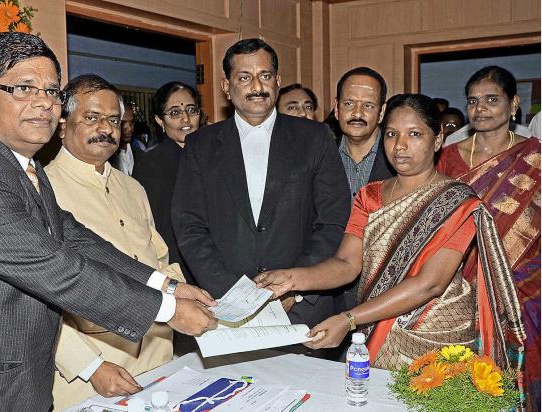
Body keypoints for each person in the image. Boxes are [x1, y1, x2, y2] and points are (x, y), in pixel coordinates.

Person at [0, 33, 216, 410]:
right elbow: (57, 268)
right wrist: (165, 309)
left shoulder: (18, 164)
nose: (43, 104)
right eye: (24, 88)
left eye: (52, 92)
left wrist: (164, 284)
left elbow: (70, 236)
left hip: (16, 378)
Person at [255, 94, 526, 404]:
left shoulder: (457, 202)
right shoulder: (370, 196)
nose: (399, 145)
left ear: (437, 139)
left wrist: (348, 320)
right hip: (375, 327)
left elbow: (430, 283)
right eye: (391, 134)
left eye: (414, 134)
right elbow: (346, 263)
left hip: (435, 336)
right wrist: (294, 279)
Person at [172, 38, 352, 346]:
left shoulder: (315, 138)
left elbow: (333, 219)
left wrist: (297, 286)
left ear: (278, 81)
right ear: (227, 87)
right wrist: (238, 296)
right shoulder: (201, 145)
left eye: (265, 76)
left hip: (303, 310)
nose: (257, 86)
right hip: (227, 311)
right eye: (244, 77)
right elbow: (189, 225)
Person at [45, 74, 191, 409]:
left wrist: (185, 299)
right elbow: (40, 302)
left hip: (159, 356)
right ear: (63, 125)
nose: (106, 128)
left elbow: (159, 260)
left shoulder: (132, 187)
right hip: (93, 372)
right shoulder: (43, 190)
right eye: (92, 118)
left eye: (113, 120)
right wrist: (88, 366)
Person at [437, 66, 540, 411]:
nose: (480, 108)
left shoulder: (535, 156)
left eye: (491, 100)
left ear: (513, 105)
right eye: (473, 101)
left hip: (526, 287)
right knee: (466, 384)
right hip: (461, 285)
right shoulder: (449, 158)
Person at [133, 81, 202, 286]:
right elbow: (158, 228)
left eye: (191, 110)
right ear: (159, 121)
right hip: (179, 269)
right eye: (174, 113)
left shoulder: (213, 156)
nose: (186, 119)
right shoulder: (151, 164)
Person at [334, 67, 395, 200]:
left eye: (368, 105)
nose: (357, 113)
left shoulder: (398, 156)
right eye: (349, 104)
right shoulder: (321, 154)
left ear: (382, 112)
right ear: (337, 108)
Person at [109, 102, 136, 175]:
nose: (129, 128)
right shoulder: (105, 158)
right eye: (123, 123)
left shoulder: (142, 155)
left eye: (132, 122)